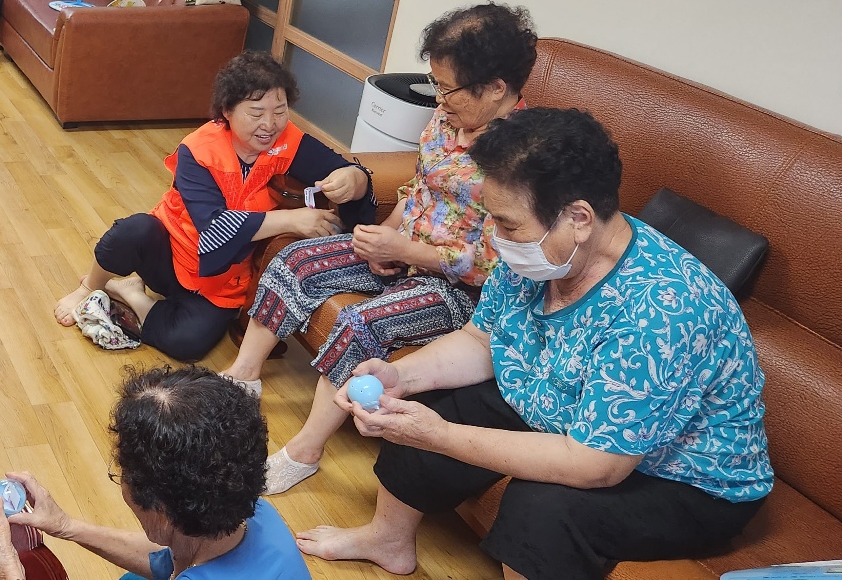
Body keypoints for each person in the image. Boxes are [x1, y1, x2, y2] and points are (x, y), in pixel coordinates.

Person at [297, 108, 773, 579]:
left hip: (679, 477)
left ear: (579, 218)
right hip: (563, 404)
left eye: (508, 225)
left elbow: (596, 465)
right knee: (431, 403)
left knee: (541, 508)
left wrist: (437, 436)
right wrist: (400, 375)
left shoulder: (663, 311)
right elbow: (481, 340)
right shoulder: (544, 251)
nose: (497, 237)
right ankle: (387, 540)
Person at [219, 3, 537, 495]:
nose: (439, 99)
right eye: (436, 84)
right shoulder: (447, 119)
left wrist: (407, 251)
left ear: (496, 87)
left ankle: (306, 451)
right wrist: (379, 239)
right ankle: (245, 374)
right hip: (403, 248)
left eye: (448, 88)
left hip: (460, 289)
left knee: (360, 322)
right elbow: (419, 189)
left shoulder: (525, 156)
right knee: (297, 259)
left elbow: (498, 263)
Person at [53, 51, 376, 362]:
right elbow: (214, 226)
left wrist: (354, 178)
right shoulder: (198, 150)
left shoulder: (289, 141)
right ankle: (90, 286)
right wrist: (292, 220)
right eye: (256, 113)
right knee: (133, 230)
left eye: (280, 111)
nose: (269, 124)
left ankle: (131, 292)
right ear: (227, 111)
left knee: (187, 344)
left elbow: (345, 169)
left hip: (222, 276)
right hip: (170, 254)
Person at [0, 366, 312, 580]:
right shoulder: (252, 513)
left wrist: (9, 570)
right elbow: (171, 557)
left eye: (122, 470)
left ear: (163, 512)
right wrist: (66, 526)